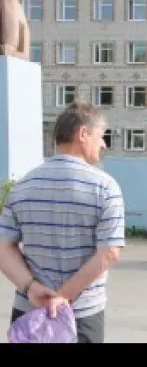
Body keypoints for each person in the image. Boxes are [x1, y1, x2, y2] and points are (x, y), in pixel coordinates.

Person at [0, 102, 125, 343]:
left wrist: (32, 289)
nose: (103, 144)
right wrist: (62, 297)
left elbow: (3, 247)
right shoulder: (105, 187)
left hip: (29, 313)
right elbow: (109, 252)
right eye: (101, 136)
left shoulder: (23, 186)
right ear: (82, 134)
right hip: (81, 317)